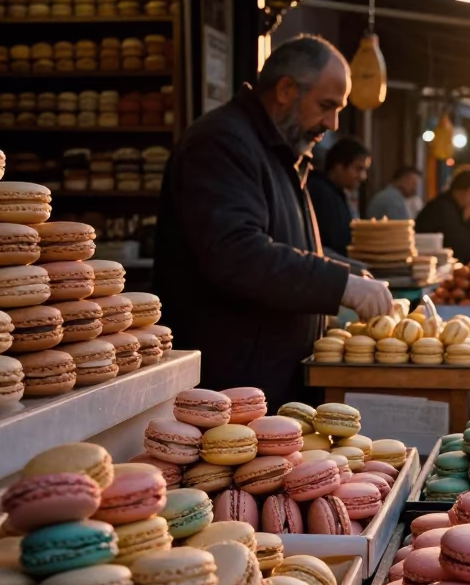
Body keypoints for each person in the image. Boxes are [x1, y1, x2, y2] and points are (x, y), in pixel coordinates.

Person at [154, 35, 392, 409]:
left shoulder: (281, 150)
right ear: (285, 89)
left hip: (267, 381)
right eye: (326, 106)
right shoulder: (221, 142)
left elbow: (288, 246)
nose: (332, 123)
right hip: (228, 389)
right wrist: (339, 285)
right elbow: (237, 253)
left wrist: (349, 273)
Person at [416, 165, 470, 265]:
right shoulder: (443, 208)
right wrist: (467, 219)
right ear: (460, 191)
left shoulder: (458, 209)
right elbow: (462, 247)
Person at [307, 137, 370, 256]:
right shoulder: (320, 192)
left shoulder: (338, 193)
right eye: (358, 169)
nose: (363, 177)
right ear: (338, 166)